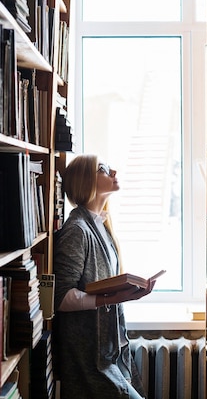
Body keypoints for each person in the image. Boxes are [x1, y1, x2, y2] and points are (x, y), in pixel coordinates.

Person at [53, 154, 155, 399]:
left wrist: (125, 293)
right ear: (85, 181)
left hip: (108, 351)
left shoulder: (101, 226)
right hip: (87, 356)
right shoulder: (77, 230)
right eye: (104, 169)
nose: (113, 171)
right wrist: (114, 297)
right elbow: (60, 297)